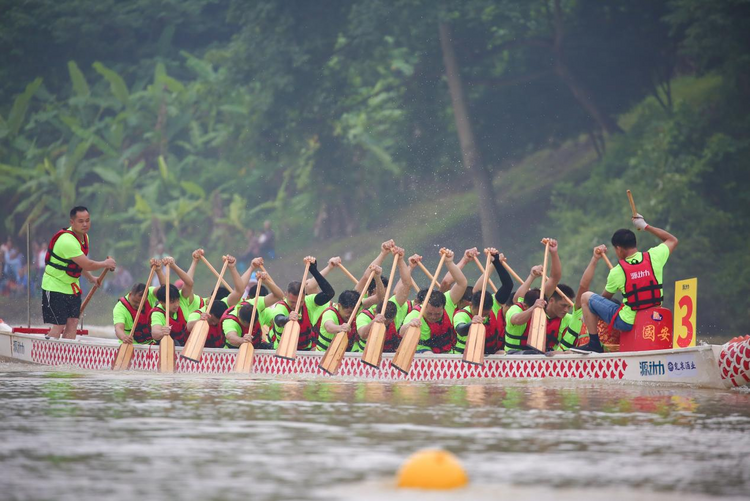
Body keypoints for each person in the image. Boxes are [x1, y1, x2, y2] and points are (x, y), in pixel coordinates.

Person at [579, 214, 678, 353]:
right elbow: (672, 240)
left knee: (586, 297)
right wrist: (645, 226)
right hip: (655, 315)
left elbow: (603, 299)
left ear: (618, 248)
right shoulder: (654, 257)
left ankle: (594, 344)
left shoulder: (617, 272)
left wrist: (589, 313)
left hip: (627, 322)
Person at [41, 206, 116, 339]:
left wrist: (91, 278)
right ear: (72, 222)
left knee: (73, 322)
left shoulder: (85, 237)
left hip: (72, 288)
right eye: (81, 221)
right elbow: (87, 264)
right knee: (59, 324)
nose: (85, 224)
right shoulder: (67, 241)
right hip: (54, 286)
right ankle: (48, 354)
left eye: (87, 220)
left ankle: (65, 356)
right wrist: (106, 263)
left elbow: (77, 264)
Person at [399, 248, 467, 354]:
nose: (433, 317)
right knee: (429, 354)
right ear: (423, 305)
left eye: (437, 314)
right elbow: (402, 332)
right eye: (430, 313)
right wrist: (410, 325)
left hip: (447, 350)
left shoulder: (448, 302)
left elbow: (462, 283)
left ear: (444, 307)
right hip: (422, 351)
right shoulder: (416, 314)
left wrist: (449, 263)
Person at [504, 238, 562, 352]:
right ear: (525, 306)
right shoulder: (516, 308)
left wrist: (554, 253)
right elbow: (517, 319)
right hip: (513, 355)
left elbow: (555, 278)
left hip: (533, 353)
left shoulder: (540, 300)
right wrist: (533, 308)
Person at [268, 256, 335, 350]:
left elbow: (329, 293)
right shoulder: (280, 306)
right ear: (286, 295)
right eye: (292, 302)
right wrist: (288, 318)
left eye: (300, 302)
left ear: (304, 296)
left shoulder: (309, 301)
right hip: (282, 350)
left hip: (305, 351)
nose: (296, 305)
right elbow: (279, 320)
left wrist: (314, 271)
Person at [354, 246, 413, 353]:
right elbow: (363, 334)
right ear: (375, 312)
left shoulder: (394, 305)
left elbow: (407, 284)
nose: (385, 324)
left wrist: (400, 260)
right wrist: (374, 322)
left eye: (388, 322)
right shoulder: (364, 315)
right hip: (366, 358)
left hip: (390, 358)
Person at [316, 264, 384, 353]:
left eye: (353, 312)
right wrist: (340, 328)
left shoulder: (357, 307)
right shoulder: (330, 313)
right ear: (339, 306)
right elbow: (329, 327)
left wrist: (377, 278)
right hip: (323, 355)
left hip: (345, 355)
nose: (351, 315)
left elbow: (380, 298)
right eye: (348, 312)